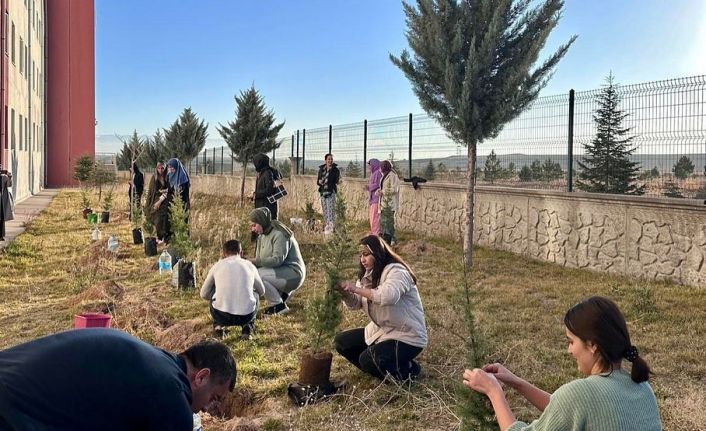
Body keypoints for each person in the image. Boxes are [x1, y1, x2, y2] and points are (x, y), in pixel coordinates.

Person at [462, 296, 662, 431]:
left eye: (571, 341)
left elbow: (571, 407)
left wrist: (493, 391)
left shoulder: (580, 394)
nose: (569, 350)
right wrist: (517, 383)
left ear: (592, 345)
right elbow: (567, 412)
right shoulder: (642, 389)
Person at [0, 329, 236, 430]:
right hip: (12, 409)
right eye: (214, 398)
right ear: (201, 377)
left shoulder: (154, 362)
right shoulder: (171, 393)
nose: (206, 409)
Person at [334, 235, 427, 381]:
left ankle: (409, 371)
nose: (362, 260)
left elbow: (388, 296)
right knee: (342, 342)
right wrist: (345, 293)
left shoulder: (397, 272)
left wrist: (356, 289)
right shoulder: (368, 275)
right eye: (360, 256)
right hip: (382, 330)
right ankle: (380, 367)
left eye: (366, 254)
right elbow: (356, 304)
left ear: (377, 252)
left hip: (407, 335)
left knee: (368, 360)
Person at [201, 240, 265, 341]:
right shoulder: (250, 265)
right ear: (241, 252)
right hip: (246, 316)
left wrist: (220, 294)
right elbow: (262, 291)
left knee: (213, 292)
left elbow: (203, 293)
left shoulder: (217, 266)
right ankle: (247, 329)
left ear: (224, 254)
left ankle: (218, 327)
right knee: (255, 294)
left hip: (222, 316)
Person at [248, 207, 306, 316]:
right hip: (279, 273)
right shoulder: (262, 236)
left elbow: (277, 260)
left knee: (259, 276)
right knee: (255, 274)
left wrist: (254, 261)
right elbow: (260, 260)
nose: (253, 229)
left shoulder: (279, 234)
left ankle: (278, 306)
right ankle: (280, 297)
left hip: (293, 274)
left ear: (261, 222)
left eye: (254, 225)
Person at [145, 161, 170, 242]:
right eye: (159, 168)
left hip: (165, 200)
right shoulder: (154, 177)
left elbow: (170, 189)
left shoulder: (168, 177)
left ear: (165, 168)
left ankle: (163, 236)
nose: (160, 170)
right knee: (156, 217)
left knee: (162, 218)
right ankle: (159, 236)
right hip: (155, 199)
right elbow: (151, 192)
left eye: (162, 168)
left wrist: (164, 192)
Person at [316, 153, 341, 233]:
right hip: (323, 192)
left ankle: (331, 228)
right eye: (328, 159)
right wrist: (320, 182)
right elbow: (318, 181)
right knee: (325, 211)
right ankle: (327, 228)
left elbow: (336, 181)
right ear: (325, 160)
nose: (330, 161)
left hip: (331, 192)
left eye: (331, 159)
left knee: (331, 211)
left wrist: (329, 179)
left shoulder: (335, 170)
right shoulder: (321, 169)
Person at [377, 160, 400, 246]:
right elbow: (383, 187)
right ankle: (386, 240)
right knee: (384, 222)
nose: (380, 168)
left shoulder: (393, 176)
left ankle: (392, 240)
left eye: (382, 166)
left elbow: (395, 189)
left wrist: (383, 192)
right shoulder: (384, 176)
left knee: (389, 222)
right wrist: (379, 191)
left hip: (390, 203)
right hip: (383, 203)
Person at [252, 153, 280, 220]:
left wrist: (256, 195)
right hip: (262, 208)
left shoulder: (268, 173)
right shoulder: (261, 173)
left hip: (267, 208)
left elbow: (269, 190)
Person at [365, 159, 382, 235]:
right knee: (373, 217)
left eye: (370, 165)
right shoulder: (374, 173)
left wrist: (368, 187)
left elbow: (377, 184)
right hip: (373, 199)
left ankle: (376, 234)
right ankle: (374, 232)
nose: (369, 167)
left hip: (376, 199)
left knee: (375, 217)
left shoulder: (377, 173)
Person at [0, 164, 13, 242]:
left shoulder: (4, 177)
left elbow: (9, 184)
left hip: (1, 199)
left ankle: (1, 235)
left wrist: (9, 176)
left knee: (1, 218)